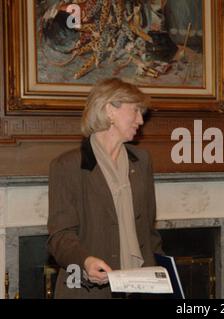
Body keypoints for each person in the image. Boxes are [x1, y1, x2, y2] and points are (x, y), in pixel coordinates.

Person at [47, 77, 163, 298]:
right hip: (88, 291)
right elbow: (60, 236)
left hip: (140, 287)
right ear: (110, 109)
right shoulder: (68, 166)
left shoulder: (142, 160)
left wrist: (162, 272)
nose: (140, 119)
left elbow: (149, 230)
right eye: (135, 110)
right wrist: (85, 261)